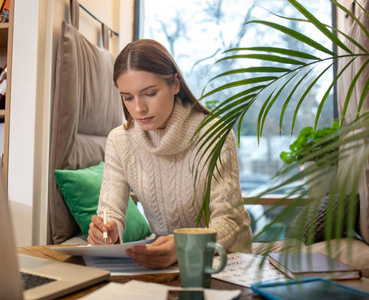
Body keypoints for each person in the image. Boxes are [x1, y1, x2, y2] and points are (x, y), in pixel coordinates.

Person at [87, 39, 252, 268]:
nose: (138, 109)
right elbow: (110, 212)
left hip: (224, 260)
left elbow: (229, 222)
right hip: (167, 262)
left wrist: (185, 245)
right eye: (127, 97)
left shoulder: (215, 134)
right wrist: (107, 231)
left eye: (150, 93)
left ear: (175, 84)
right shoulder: (119, 140)